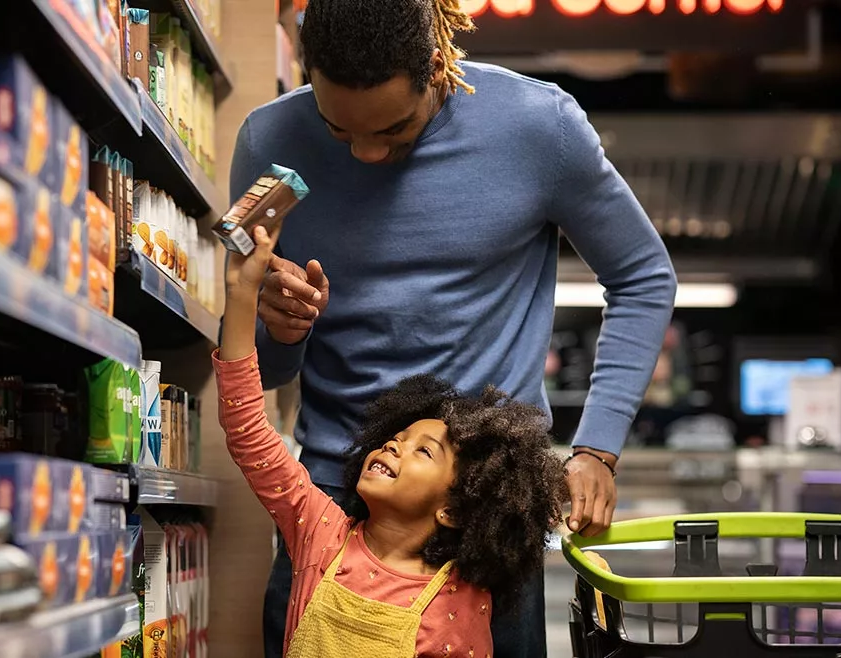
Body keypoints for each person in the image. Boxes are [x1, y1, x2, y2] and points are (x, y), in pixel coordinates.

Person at [227, 0, 678, 655]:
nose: (367, 152)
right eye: (337, 130)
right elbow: (262, 367)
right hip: (332, 504)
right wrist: (280, 327)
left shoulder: (539, 127)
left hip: (484, 511)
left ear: (437, 68)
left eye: (394, 128)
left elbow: (643, 276)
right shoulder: (267, 143)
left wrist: (597, 448)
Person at [216, 225, 568, 657]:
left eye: (424, 450)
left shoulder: (460, 605)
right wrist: (241, 292)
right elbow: (247, 428)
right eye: (397, 438)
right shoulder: (320, 532)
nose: (393, 446)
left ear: (453, 511)